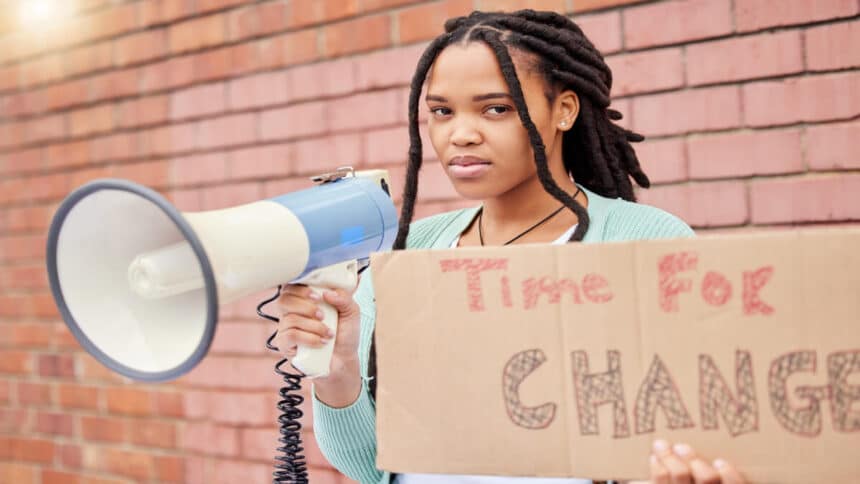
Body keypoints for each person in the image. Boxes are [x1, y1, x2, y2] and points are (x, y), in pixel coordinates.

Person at [274, 9, 746, 484]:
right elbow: (370, 467)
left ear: (564, 109)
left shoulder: (648, 241)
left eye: (496, 108)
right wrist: (337, 373)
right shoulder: (408, 253)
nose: (460, 134)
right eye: (441, 111)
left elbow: (695, 435)